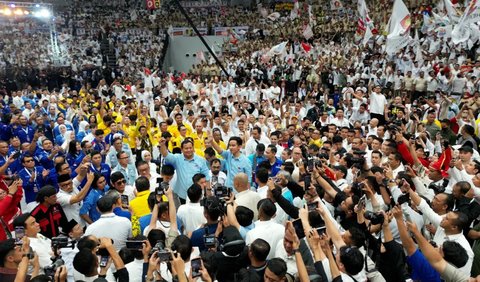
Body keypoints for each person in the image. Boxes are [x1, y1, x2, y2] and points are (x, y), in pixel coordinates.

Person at [159, 137, 210, 204]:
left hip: (197, 194)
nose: (188, 150)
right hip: (181, 195)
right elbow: (166, 155)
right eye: (186, 148)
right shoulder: (177, 158)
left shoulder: (201, 160)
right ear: (182, 149)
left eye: (190, 148)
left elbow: (207, 176)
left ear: (193, 148)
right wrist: (162, 145)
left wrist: (208, 190)